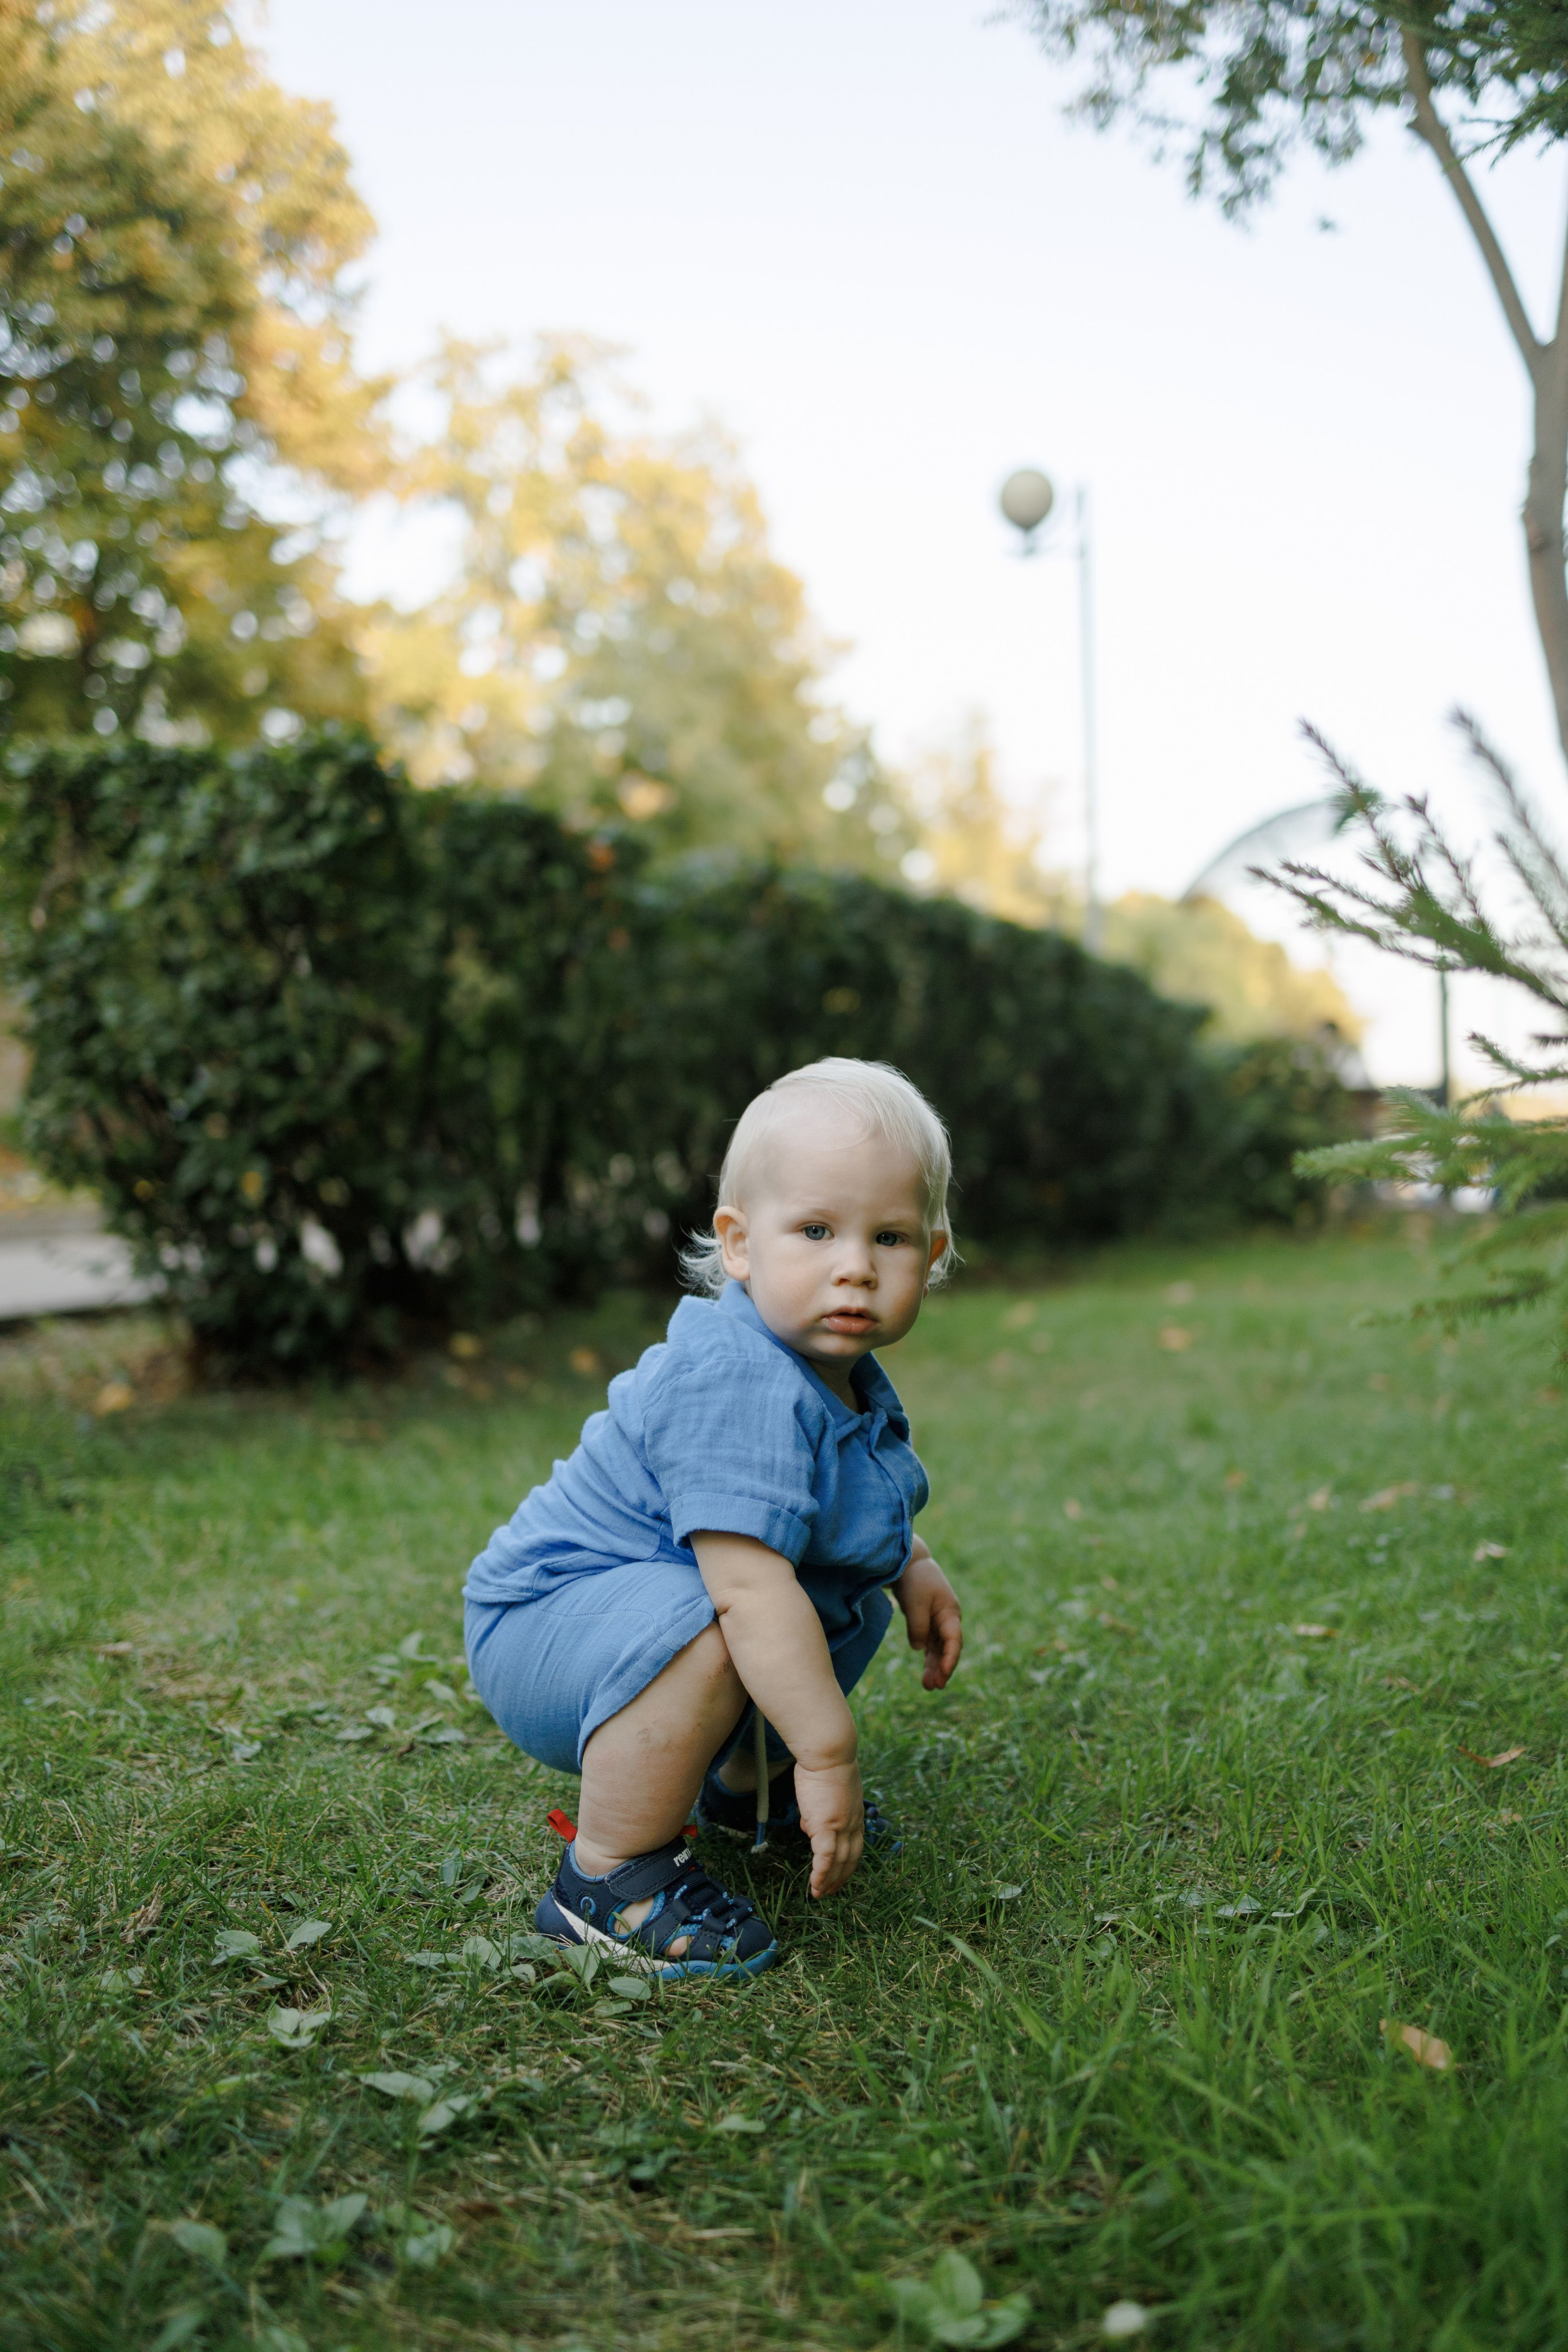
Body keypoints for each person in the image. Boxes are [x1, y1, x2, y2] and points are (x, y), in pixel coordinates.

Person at [463, 1057, 964, 1981]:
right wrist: (826, 1752)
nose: (854, 1266)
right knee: (733, 1614)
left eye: (888, 1237)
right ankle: (609, 1879)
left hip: (631, 1614)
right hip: (544, 1626)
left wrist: (910, 1564)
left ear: (930, 1258)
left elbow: (835, 1510)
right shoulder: (734, 1377)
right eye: (815, 1230)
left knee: (826, 1594)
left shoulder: (833, 1374)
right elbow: (746, 1584)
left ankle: (745, 1790)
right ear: (739, 1245)